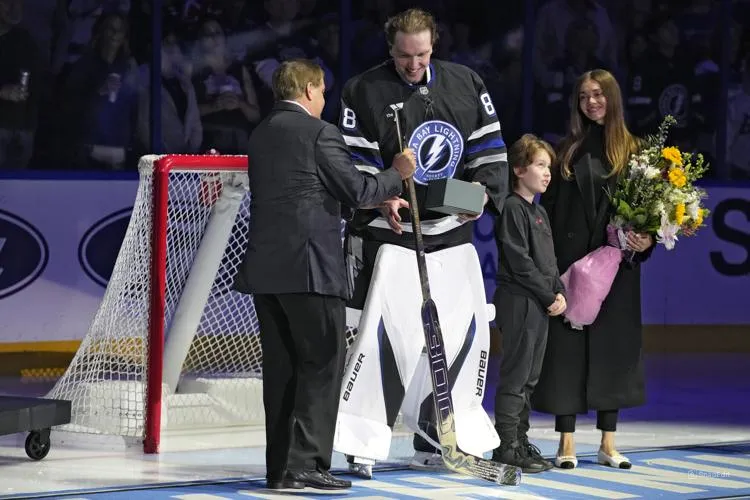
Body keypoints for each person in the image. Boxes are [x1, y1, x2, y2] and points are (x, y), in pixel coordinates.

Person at [337, 7, 509, 478]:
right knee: (381, 337)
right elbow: (354, 165)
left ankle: (438, 435)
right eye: (404, 56)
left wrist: (482, 196)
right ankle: (362, 445)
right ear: (389, 48)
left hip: (451, 236)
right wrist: (381, 199)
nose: (414, 64)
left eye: (423, 54)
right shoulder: (363, 90)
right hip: (387, 239)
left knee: (454, 340)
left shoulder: (466, 82)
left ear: (435, 46)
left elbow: (489, 152)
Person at [233, 59, 416, 491]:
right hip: (311, 269)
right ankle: (307, 464)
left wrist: (373, 199)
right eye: (322, 91)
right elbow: (355, 188)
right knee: (321, 365)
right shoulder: (320, 132)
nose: (324, 100)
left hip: (267, 271)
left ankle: (280, 469)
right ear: (311, 89)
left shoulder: (261, 134)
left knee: (282, 371)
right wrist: (397, 174)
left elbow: (313, 188)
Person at [531, 69, 654, 470]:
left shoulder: (636, 153)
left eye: (598, 94)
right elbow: (547, 214)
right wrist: (550, 269)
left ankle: (608, 442)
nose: (591, 102)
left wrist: (646, 240)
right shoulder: (566, 150)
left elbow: (651, 216)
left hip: (617, 267)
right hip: (572, 267)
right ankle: (565, 442)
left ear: (613, 98)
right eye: (584, 96)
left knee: (612, 351)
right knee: (567, 352)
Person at [492, 134, 565, 473]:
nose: (547, 173)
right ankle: (505, 445)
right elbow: (520, 262)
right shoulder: (511, 208)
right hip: (520, 301)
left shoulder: (539, 213)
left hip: (538, 303)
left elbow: (548, 262)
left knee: (530, 378)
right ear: (519, 169)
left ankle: (520, 441)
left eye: (549, 167)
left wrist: (559, 291)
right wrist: (549, 296)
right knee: (516, 375)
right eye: (540, 165)